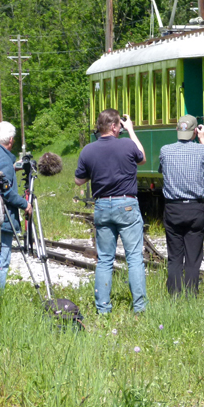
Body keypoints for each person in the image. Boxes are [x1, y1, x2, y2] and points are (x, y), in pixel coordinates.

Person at [74, 109, 147, 314]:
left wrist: (96, 171)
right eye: (120, 126)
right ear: (115, 126)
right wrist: (131, 130)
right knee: (134, 258)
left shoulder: (88, 150)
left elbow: (79, 180)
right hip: (127, 204)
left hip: (103, 206)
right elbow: (142, 158)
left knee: (105, 259)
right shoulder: (127, 144)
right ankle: (139, 308)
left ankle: (103, 309)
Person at [159, 115, 204, 296]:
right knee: (193, 257)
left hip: (173, 208)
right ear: (194, 131)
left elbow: (162, 170)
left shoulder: (165, 150)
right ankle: (191, 294)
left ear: (178, 130)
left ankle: (174, 295)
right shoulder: (201, 151)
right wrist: (202, 139)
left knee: (174, 257)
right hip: (195, 208)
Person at [0, 121, 31, 290]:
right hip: (1, 219)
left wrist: (11, 168)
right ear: (11, 140)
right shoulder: (4, 159)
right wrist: (25, 204)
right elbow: (6, 192)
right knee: (0, 262)